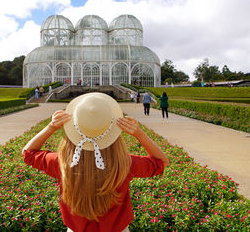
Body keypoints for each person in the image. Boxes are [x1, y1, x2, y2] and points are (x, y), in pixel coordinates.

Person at [22, 93, 169, 232]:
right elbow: (162, 162)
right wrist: (139, 133)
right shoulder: (125, 164)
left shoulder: (62, 163)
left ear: (72, 130)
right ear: (114, 133)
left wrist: (51, 127)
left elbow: (28, 153)